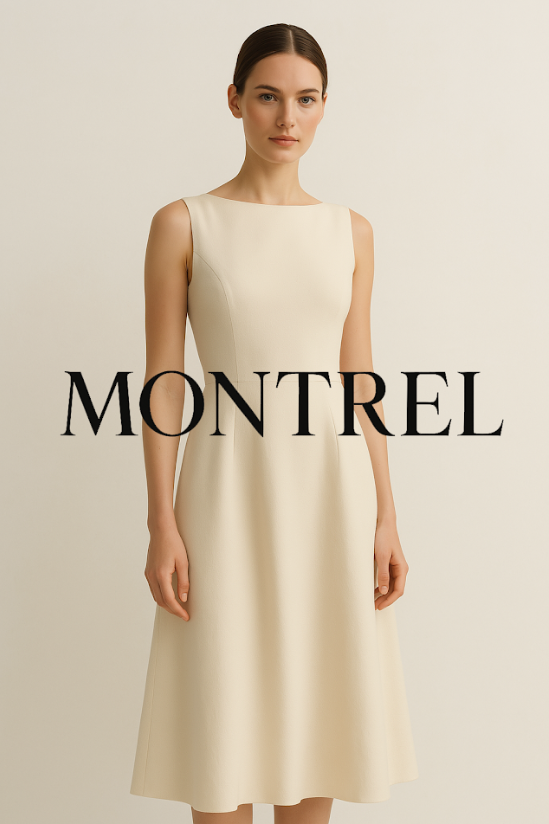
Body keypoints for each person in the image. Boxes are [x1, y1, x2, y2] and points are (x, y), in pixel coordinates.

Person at [130, 22, 419, 824]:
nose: (286, 118)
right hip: (224, 494)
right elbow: (163, 383)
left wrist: (385, 515)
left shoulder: (350, 231)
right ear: (234, 101)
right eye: (266, 97)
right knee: (221, 725)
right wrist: (160, 521)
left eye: (305, 99)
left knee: (318, 717)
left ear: (324, 107)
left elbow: (359, 380)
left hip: (331, 497)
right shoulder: (183, 223)